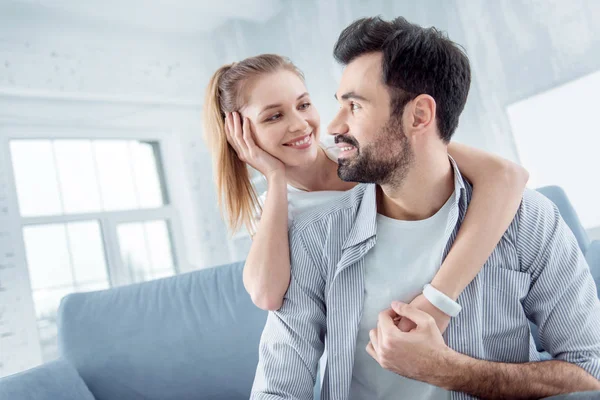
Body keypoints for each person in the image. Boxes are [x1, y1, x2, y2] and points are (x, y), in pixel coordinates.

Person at [248, 16, 600, 400]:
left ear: (418, 115)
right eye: (338, 105)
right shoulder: (316, 237)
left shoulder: (530, 221)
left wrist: (447, 370)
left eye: (355, 107)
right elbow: (277, 391)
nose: (332, 126)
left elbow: (589, 373)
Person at [204, 57, 529, 336]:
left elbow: (507, 176)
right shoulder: (274, 211)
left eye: (303, 105)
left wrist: (438, 300)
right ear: (239, 135)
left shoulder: (365, 144)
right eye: (274, 116)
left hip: (451, 305)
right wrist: (274, 178)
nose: (300, 124)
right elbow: (266, 296)